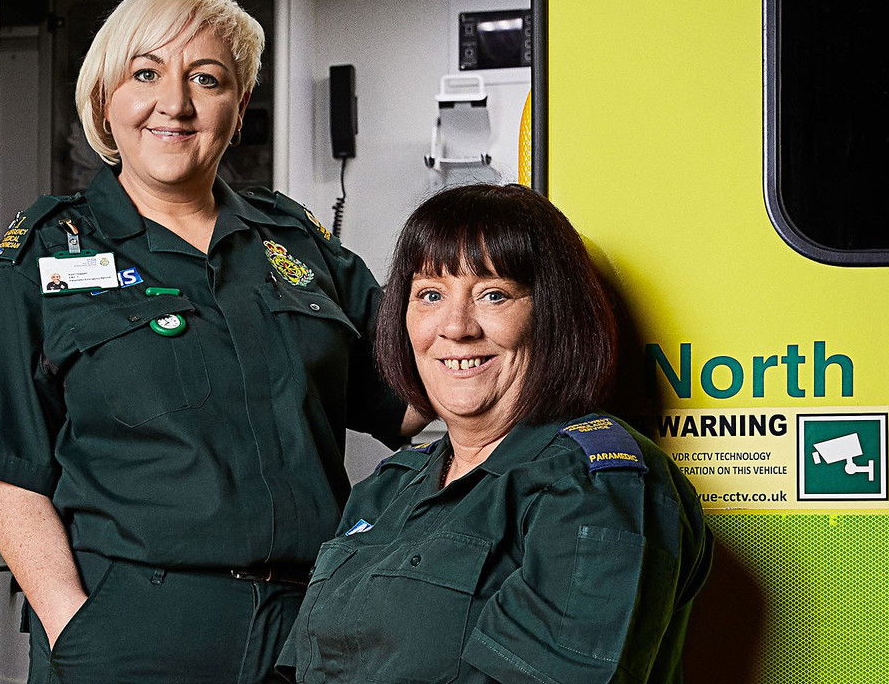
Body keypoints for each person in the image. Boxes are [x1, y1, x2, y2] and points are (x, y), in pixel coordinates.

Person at [0, 0, 421, 684]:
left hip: (307, 624)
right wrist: (72, 624)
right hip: (132, 627)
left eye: (206, 78)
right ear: (105, 99)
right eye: (146, 74)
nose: (174, 103)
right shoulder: (50, 250)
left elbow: (409, 396)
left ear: (238, 108)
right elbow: (10, 463)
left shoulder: (296, 240)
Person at [276, 184, 713, 684]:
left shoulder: (594, 486)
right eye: (430, 295)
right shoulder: (389, 486)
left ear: (555, 314)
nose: (456, 327)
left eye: (493, 294)